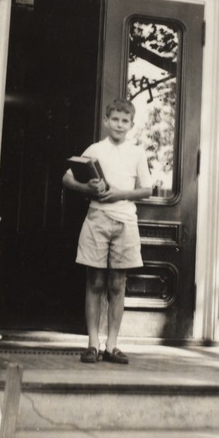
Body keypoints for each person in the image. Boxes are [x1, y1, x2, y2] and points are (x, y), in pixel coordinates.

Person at [62, 98, 152, 364]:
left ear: (131, 125)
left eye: (125, 121)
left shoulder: (137, 153)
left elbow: (147, 189)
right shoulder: (95, 149)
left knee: (117, 284)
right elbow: (67, 178)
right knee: (95, 282)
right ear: (106, 121)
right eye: (115, 119)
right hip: (97, 219)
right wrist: (87, 189)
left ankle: (112, 345)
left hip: (125, 222)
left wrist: (119, 194)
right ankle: (92, 344)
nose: (119, 125)